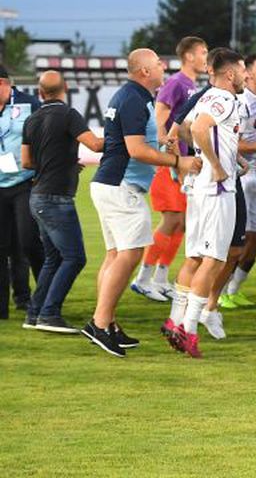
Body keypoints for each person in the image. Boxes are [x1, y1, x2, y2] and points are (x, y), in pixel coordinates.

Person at [87, 49, 198, 357]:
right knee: (129, 254)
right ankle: (99, 323)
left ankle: (106, 322)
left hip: (112, 183)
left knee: (115, 256)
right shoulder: (134, 98)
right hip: (121, 185)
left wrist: (162, 142)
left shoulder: (134, 96)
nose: (164, 66)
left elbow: (138, 140)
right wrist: (178, 160)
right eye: (158, 63)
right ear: (145, 71)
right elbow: (135, 150)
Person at [161, 49, 246, 358]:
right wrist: (218, 165)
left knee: (195, 257)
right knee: (215, 259)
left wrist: (232, 156)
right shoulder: (224, 99)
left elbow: (183, 128)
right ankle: (189, 329)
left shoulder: (206, 97)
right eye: (243, 70)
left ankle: (175, 320)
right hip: (217, 190)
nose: (245, 75)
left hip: (198, 188)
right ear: (231, 74)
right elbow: (196, 130)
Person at [19, 71, 103, 332]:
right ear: (65, 88)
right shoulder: (69, 115)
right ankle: (49, 313)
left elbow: (26, 162)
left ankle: (34, 313)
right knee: (74, 258)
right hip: (57, 198)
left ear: (40, 93)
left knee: (53, 259)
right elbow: (95, 145)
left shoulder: (31, 120)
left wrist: (62, 163)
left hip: (37, 195)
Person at [136, 36, 207, 302]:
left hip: (185, 163)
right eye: (202, 52)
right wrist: (167, 149)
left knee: (182, 224)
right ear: (189, 56)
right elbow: (159, 117)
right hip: (171, 163)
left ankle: (161, 278)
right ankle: (143, 278)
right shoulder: (176, 83)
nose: (205, 57)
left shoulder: (190, 85)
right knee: (171, 220)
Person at [219, 54, 256, 308]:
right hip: (239, 175)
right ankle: (218, 292)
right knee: (235, 239)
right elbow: (235, 143)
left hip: (253, 174)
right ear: (248, 74)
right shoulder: (241, 103)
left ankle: (232, 289)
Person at [0, 64, 42, 319]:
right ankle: (1, 308)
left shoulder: (29, 105)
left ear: (3, 84)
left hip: (24, 183)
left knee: (27, 243)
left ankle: (42, 298)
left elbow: (44, 137)